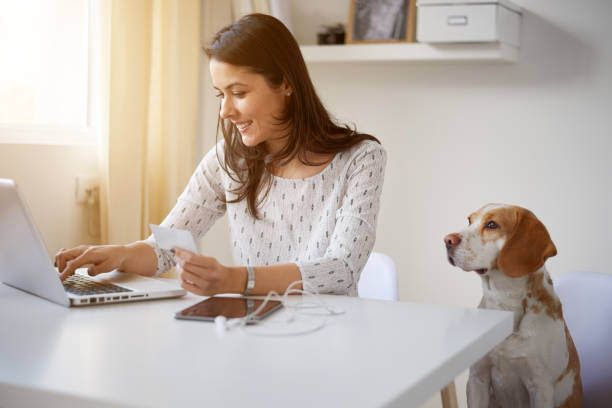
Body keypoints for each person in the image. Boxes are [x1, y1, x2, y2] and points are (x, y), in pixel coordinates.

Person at [55, 13, 387, 297]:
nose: (225, 111)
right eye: (220, 94)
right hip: (251, 334)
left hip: (330, 338)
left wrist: (235, 279)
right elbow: (169, 247)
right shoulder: (230, 160)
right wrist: (119, 255)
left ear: (285, 84)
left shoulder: (360, 159)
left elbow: (341, 269)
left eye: (238, 93)